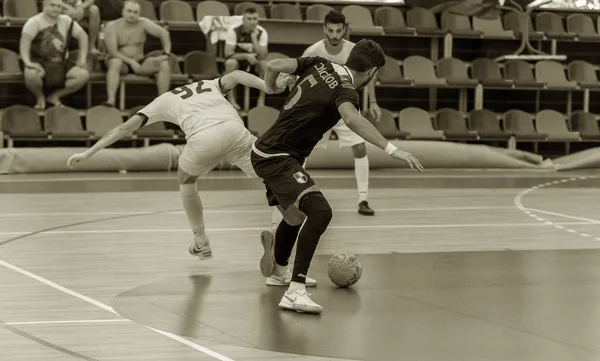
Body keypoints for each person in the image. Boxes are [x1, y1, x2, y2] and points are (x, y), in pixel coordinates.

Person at [252, 39, 423, 314]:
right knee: (320, 211)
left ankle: (279, 272)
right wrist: (393, 149)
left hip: (267, 150)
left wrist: (271, 87)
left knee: (295, 216)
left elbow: (272, 64)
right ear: (371, 72)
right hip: (277, 156)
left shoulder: (320, 63)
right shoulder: (346, 90)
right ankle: (295, 291)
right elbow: (353, 120)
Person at [67, 70, 280, 260]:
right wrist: (268, 86)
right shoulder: (208, 84)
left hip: (203, 138)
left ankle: (201, 240)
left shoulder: (163, 100)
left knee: (186, 179)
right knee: (274, 179)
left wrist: (88, 152)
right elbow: (236, 75)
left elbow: (123, 129)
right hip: (235, 130)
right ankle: (278, 231)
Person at [302, 10, 382, 217]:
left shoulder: (354, 50)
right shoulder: (313, 50)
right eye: (331, 30)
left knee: (360, 147)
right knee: (301, 148)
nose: (335, 35)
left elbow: (370, 74)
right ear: (324, 29)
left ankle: (363, 199)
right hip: (319, 108)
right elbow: (300, 78)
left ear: (345, 29)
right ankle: (296, 194)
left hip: (344, 106)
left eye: (339, 30)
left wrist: (373, 101)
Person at [20, 0, 90, 109]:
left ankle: (54, 96)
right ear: (44, 5)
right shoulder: (34, 22)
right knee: (30, 74)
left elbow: (83, 36)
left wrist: (82, 58)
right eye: (52, 5)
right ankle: (40, 97)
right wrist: (27, 62)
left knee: (83, 75)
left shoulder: (66, 20)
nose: (56, 8)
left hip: (60, 64)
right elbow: (25, 42)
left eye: (59, 6)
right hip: (40, 62)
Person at [103, 0, 172, 107]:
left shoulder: (143, 23)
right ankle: (111, 100)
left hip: (140, 61)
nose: (132, 15)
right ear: (123, 12)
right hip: (121, 62)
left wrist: (166, 53)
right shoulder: (112, 26)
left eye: (135, 12)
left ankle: (162, 102)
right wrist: (131, 62)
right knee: (115, 62)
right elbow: (113, 52)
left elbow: (164, 33)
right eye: (129, 11)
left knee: (163, 63)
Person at [224, 7, 268, 110]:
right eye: (249, 19)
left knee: (264, 64)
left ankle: (261, 100)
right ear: (243, 19)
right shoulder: (234, 30)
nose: (252, 22)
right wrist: (246, 56)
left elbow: (263, 56)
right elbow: (228, 53)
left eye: (254, 19)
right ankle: (231, 100)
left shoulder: (262, 32)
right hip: (238, 61)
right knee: (230, 63)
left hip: (254, 63)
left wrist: (254, 38)